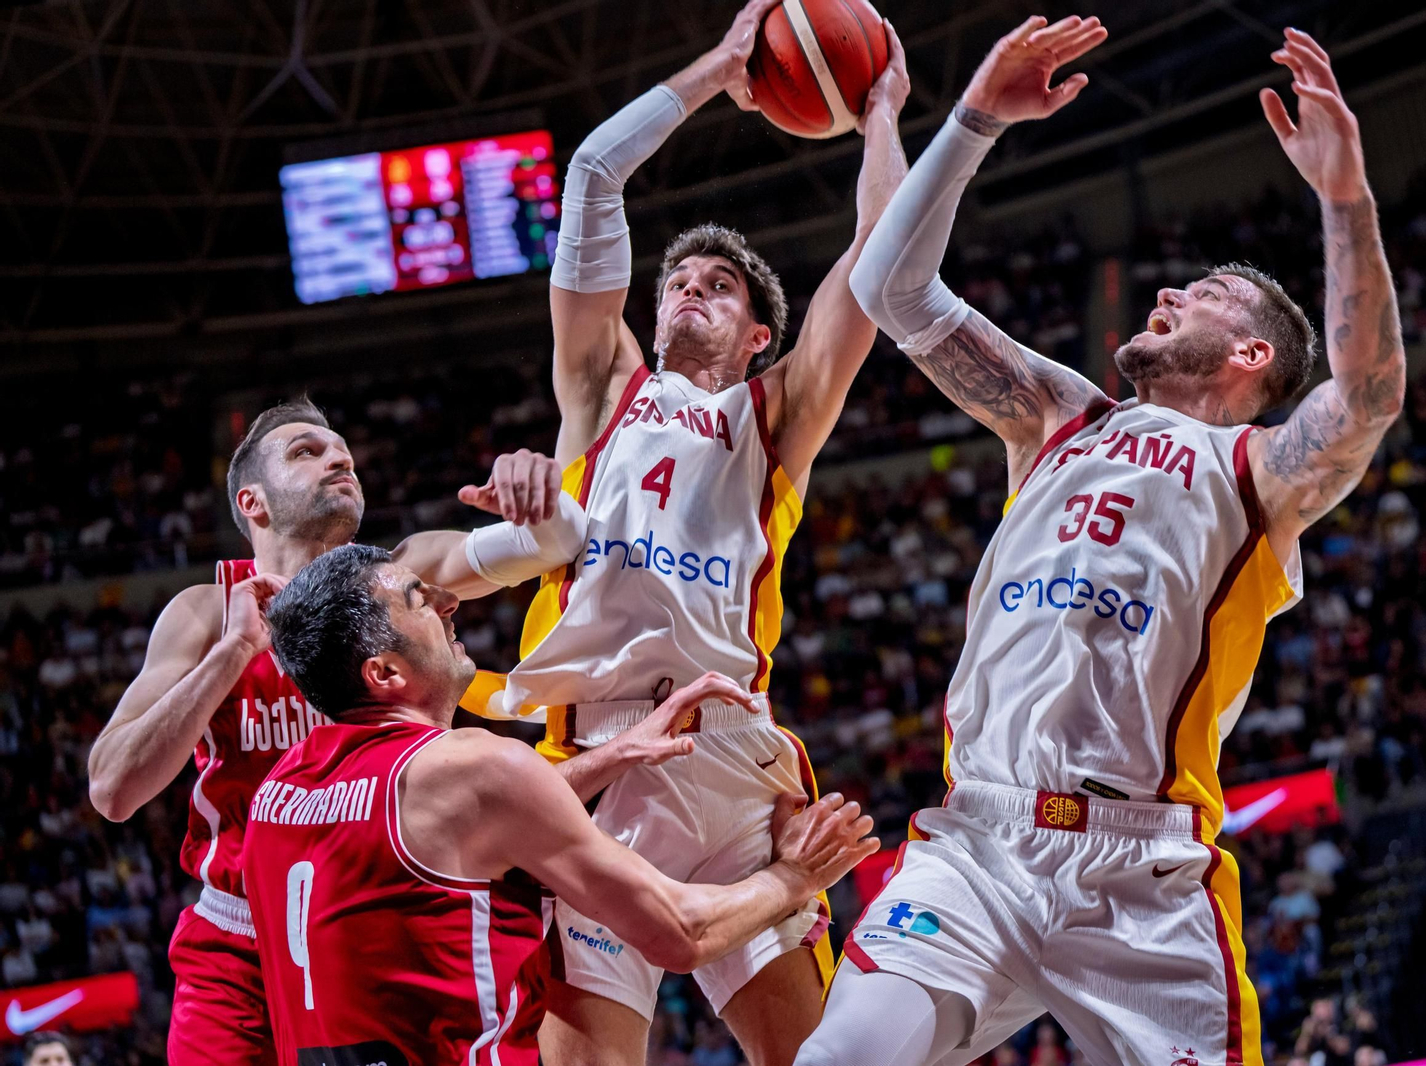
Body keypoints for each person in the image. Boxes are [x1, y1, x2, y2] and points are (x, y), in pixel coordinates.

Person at [806, 15, 1407, 1066]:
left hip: (1141, 872)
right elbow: (889, 289)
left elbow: (1366, 397)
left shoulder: (1259, 470)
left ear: (1250, 354)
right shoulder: (1057, 415)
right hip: (979, 846)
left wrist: (1344, 195)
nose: (1169, 291)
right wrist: (975, 116)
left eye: (1205, 295)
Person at [464, 1, 909, 1062]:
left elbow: (880, 257)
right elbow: (591, 177)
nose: (687, 293)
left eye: (718, 287)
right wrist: (719, 68)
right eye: (677, 283)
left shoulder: (775, 413)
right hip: (603, 754)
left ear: (758, 336)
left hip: (735, 760)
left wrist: (883, 112)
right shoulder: (602, 387)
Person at [85, 400, 706, 1066]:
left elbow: (552, 545)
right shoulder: (208, 613)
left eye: (343, 449)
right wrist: (233, 652)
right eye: (306, 451)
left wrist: (537, 494)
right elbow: (113, 789)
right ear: (252, 501)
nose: (339, 457)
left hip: (379, 921)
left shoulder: (400, 579)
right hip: (241, 942)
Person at [243, 544, 877, 1065]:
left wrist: (616, 751)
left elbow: (468, 820)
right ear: (384, 673)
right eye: (418, 600)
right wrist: (796, 875)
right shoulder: (476, 766)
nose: (448, 601)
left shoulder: (277, 793)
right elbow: (683, 933)